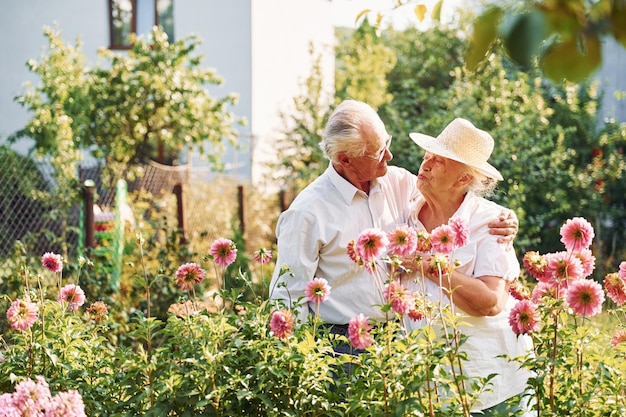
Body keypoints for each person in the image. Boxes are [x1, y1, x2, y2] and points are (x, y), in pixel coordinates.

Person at [268, 100, 518, 342]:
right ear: (345, 159)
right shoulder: (307, 212)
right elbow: (288, 296)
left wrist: (507, 218)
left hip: (398, 339)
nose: (389, 155)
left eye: (386, 143)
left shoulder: (398, 182)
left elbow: (453, 196)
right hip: (341, 344)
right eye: (378, 152)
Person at [404, 118, 533, 416]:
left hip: (487, 382)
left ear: (463, 179)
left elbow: (491, 302)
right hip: (427, 386)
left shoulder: (491, 222)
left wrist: (430, 266)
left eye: (439, 161)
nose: (426, 164)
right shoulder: (406, 209)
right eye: (427, 156)